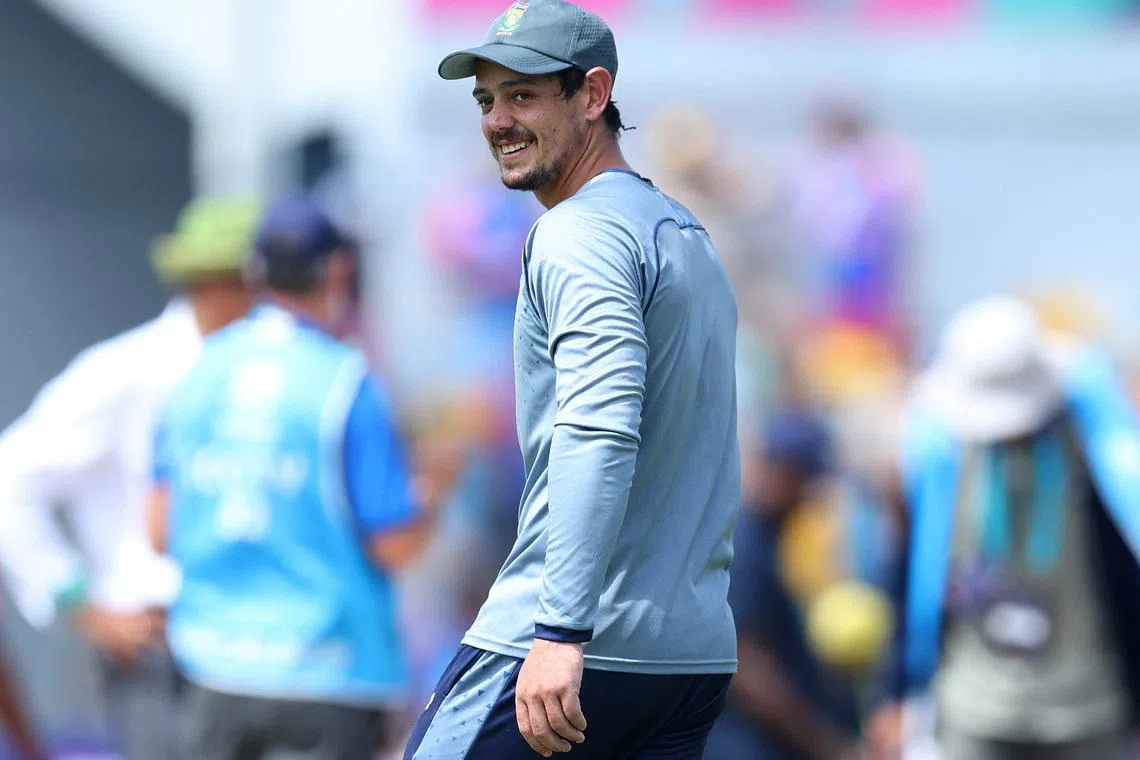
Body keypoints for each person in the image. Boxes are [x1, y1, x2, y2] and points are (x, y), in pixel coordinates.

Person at [408, 1, 741, 757]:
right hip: (686, 658)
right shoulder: (683, 233)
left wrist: (559, 630)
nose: (498, 120)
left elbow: (598, 427)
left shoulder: (577, 232)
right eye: (486, 100)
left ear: (593, 96)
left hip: (577, 643)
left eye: (523, 94)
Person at [149, 194, 449, 760]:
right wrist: (435, 487)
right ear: (337, 270)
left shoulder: (199, 373)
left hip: (210, 665)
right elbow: (395, 543)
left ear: (255, 273)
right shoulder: (345, 382)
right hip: (328, 672)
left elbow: (160, 529)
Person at [0, 197, 258, 760]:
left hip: (257, 649)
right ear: (218, 284)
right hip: (159, 653)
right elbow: (10, 477)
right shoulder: (126, 371)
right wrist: (79, 603)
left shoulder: (261, 374)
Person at [870, 295, 1140, 760]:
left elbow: (1127, 574)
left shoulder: (1097, 454)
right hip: (974, 711)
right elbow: (911, 573)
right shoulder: (940, 455)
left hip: (1088, 711)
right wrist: (893, 692)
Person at [705, 409, 865, 760]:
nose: (811, 493)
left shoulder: (766, 537)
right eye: (805, 477)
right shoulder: (745, 543)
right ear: (782, 472)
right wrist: (823, 742)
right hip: (740, 743)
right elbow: (746, 665)